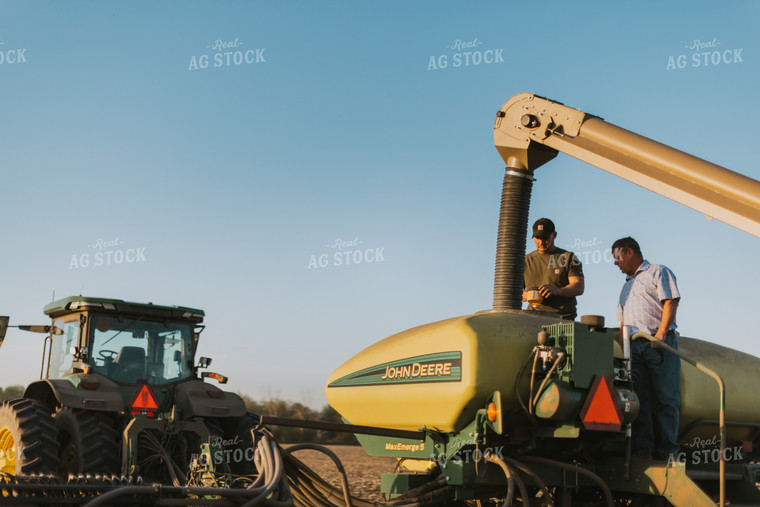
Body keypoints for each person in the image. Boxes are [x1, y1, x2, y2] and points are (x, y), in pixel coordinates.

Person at [612, 236, 681, 461]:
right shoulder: (626, 287)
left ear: (630, 252)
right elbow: (622, 323)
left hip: (658, 344)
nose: (616, 263)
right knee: (638, 400)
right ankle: (643, 450)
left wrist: (660, 334)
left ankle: (668, 451)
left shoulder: (658, 272)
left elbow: (670, 301)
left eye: (618, 257)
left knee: (665, 398)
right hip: (635, 348)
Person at [523, 218, 584, 320]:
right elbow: (514, 290)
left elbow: (579, 287)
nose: (541, 242)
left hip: (563, 318)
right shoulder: (525, 260)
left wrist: (557, 291)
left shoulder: (569, 257)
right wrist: (526, 295)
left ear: (554, 235)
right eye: (537, 237)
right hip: (533, 318)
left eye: (545, 237)